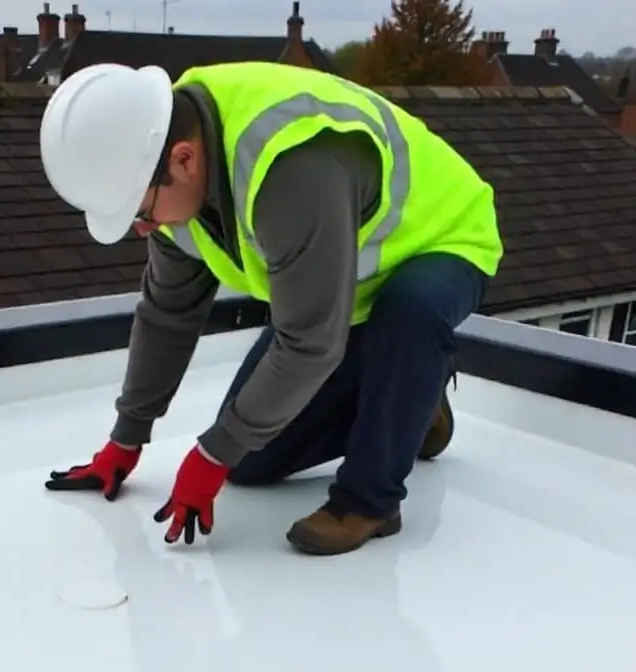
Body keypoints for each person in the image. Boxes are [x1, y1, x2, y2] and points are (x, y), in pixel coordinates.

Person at [40, 61, 503, 556]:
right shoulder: (158, 150)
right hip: (339, 280)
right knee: (250, 460)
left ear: (184, 160)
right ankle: (415, 403)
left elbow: (307, 343)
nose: (143, 228)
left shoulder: (290, 166)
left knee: (407, 312)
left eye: (140, 210)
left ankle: (369, 501)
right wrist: (127, 437)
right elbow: (168, 315)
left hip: (440, 239)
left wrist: (210, 455)